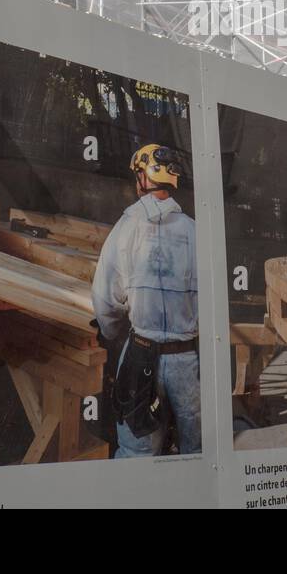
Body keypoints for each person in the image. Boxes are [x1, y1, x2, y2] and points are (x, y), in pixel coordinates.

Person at [92, 143, 198, 457]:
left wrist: (111, 333)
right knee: (198, 453)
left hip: (141, 356)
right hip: (188, 361)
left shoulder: (126, 227)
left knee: (137, 454)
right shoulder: (195, 232)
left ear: (143, 176)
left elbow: (105, 298)